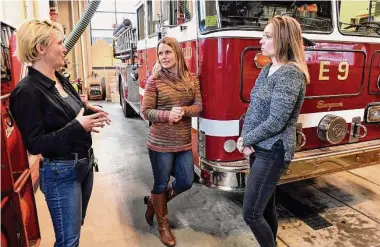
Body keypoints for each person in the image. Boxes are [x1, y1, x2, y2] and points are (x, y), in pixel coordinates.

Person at [10, 19, 111, 247]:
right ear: (41, 48)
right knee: (68, 241)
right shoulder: (26, 92)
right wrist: (78, 126)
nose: (65, 48)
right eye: (60, 42)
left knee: (74, 230)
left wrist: (88, 108)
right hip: (61, 173)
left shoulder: (59, 78)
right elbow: (35, 144)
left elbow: (69, 110)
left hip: (84, 164)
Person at [237, 16, 309, 247]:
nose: (260, 40)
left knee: (251, 213)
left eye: (267, 36)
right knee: (265, 207)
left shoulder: (290, 74)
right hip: (260, 146)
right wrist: (246, 141)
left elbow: (277, 121)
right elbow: (254, 107)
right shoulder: (269, 68)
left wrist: (246, 138)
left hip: (273, 150)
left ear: (284, 40)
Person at [141, 37, 202, 247]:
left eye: (168, 52)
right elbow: (145, 111)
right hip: (160, 143)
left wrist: (184, 110)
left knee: (186, 180)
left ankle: (153, 203)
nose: (164, 57)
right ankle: (163, 226)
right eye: (160, 53)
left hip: (183, 142)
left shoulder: (192, 79)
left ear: (177, 53)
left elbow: (198, 106)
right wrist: (167, 115)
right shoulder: (155, 79)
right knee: (160, 183)